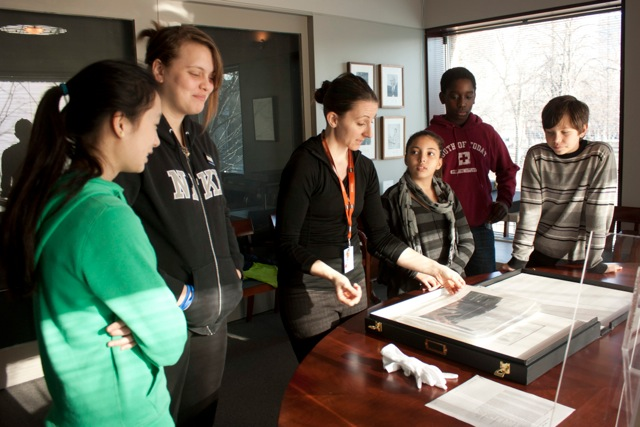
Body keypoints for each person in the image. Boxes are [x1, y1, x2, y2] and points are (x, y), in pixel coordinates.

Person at [0, 60, 187, 426]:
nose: (154, 139)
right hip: (126, 414)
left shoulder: (57, 197)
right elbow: (168, 340)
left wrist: (143, 321)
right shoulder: (105, 217)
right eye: (152, 125)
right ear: (120, 123)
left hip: (80, 407)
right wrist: (153, 321)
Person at [276, 73, 466, 362]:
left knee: (358, 370)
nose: (369, 132)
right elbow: (286, 244)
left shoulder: (363, 168)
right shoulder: (305, 164)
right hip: (310, 290)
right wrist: (331, 275)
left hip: (352, 283)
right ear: (334, 119)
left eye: (372, 122)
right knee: (322, 376)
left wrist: (435, 269)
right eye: (361, 122)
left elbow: (381, 238)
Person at [115, 23, 243, 426]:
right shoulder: (138, 141)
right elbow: (116, 234)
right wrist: (175, 295)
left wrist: (234, 266)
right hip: (168, 315)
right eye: (195, 73)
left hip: (215, 313)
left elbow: (219, 210)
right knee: (161, 418)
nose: (206, 85)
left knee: (201, 415)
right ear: (158, 70)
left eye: (211, 77)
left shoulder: (203, 140)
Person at [500, 95, 620, 274]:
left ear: (583, 130)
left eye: (565, 132)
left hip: (582, 257)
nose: (556, 140)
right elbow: (531, 211)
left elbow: (599, 210)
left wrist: (593, 260)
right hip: (541, 252)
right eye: (550, 132)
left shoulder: (599, 154)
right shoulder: (537, 155)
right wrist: (519, 257)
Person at [427, 67, 519, 277]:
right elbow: (421, 182)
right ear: (442, 97)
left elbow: (507, 169)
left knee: (485, 288)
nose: (462, 103)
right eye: (454, 96)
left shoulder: (486, 133)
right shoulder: (431, 136)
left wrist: (504, 201)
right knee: (444, 290)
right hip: (442, 230)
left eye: (468, 96)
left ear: (475, 97)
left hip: (480, 227)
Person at [379, 130, 475, 298]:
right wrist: (416, 273)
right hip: (410, 286)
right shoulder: (391, 198)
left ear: (439, 162)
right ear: (406, 158)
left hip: (452, 284)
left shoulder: (448, 195)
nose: (422, 159)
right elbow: (383, 248)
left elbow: (467, 241)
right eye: (415, 152)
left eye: (430, 153)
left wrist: (448, 274)